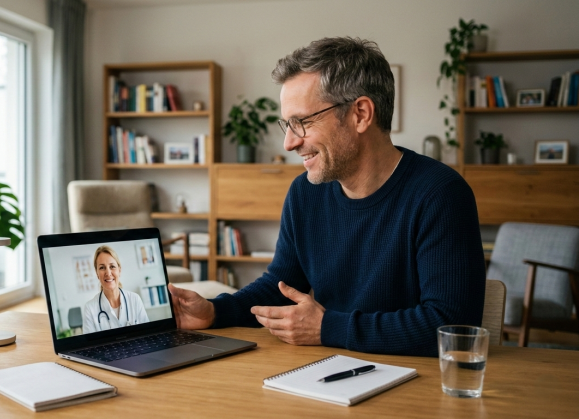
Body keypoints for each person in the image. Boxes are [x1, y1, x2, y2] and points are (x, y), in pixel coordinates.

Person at [168, 37, 486, 357]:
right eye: (287, 125)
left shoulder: (440, 194)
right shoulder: (305, 193)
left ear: (360, 114)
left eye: (302, 122)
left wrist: (327, 328)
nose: (289, 143)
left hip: (417, 383)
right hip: (327, 371)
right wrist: (214, 311)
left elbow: (452, 324)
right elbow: (280, 287)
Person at [82, 245, 149, 333]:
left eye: (112, 266)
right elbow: (90, 345)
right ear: (97, 273)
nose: (108, 273)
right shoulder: (90, 309)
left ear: (119, 270)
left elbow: (147, 333)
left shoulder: (135, 299)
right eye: (102, 268)